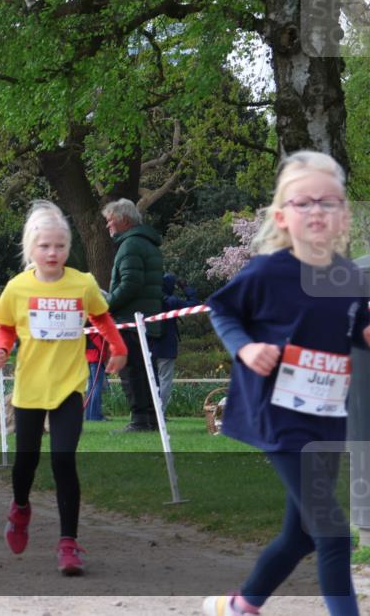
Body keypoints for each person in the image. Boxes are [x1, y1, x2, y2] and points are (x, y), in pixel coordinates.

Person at [202, 152, 369, 616]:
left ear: (344, 215)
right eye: (304, 202)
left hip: (326, 420)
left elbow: (356, 327)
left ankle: (242, 604)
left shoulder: (349, 277)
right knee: (333, 533)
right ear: (281, 217)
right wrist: (245, 348)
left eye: (329, 202)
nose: (317, 211)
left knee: (301, 536)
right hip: (279, 418)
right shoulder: (267, 272)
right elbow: (222, 309)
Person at [0, 200, 127, 576]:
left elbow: (101, 316)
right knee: (26, 462)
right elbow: (5, 327)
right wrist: (1, 348)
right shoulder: (17, 288)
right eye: (45, 246)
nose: (53, 253)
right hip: (30, 389)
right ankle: (20, 508)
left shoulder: (82, 284)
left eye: (60, 246)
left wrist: (118, 348)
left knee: (63, 460)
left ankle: (68, 543)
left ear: (69, 247)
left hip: (69, 386)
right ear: (30, 248)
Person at [101, 198, 164, 432]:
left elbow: (130, 284)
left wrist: (107, 305)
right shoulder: (147, 243)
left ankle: (140, 420)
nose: (108, 226)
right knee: (147, 371)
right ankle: (152, 419)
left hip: (130, 320)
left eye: (110, 221)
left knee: (132, 372)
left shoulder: (130, 245)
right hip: (147, 318)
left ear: (124, 220)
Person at [153, 273, 199, 412]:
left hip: (148, 345)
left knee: (151, 381)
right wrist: (186, 288)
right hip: (167, 346)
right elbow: (194, 305)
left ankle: (148, 412)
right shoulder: (172, 302)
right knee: (165, 380)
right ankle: (160, 412)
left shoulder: (150, 301)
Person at [84, 330, 109, 421]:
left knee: (91, 387)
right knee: (97, 387)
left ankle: (89, 415)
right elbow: (100, 345)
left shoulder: (87, 328)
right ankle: (95, 416)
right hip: (96, 358)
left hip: (88, 358)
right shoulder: (95, 331)